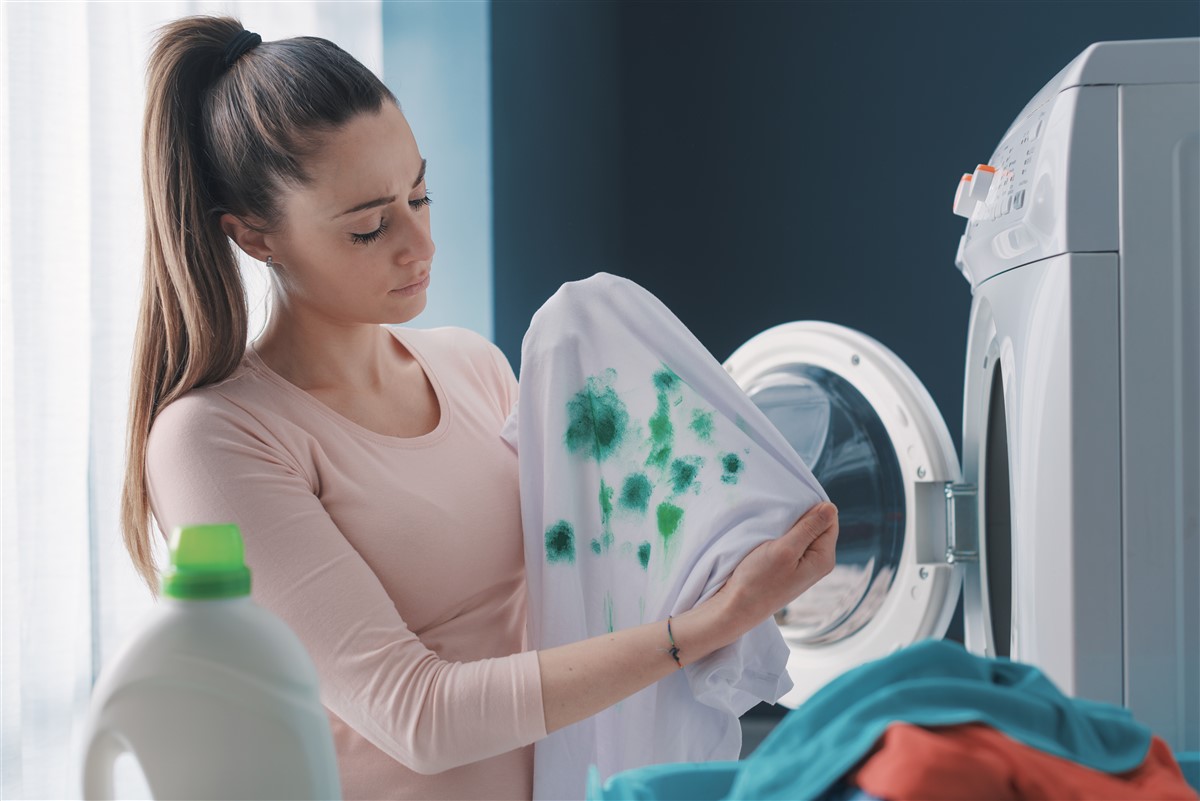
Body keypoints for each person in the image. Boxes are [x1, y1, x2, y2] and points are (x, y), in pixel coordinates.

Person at [120, 15, 840, 801]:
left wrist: (727, 548)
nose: (419, 244)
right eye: (369, 227)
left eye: (420, 195)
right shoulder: (216, 438)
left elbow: (586, 587)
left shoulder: (474, 368)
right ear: (255, 237)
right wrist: (707, 626)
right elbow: (417, 715)